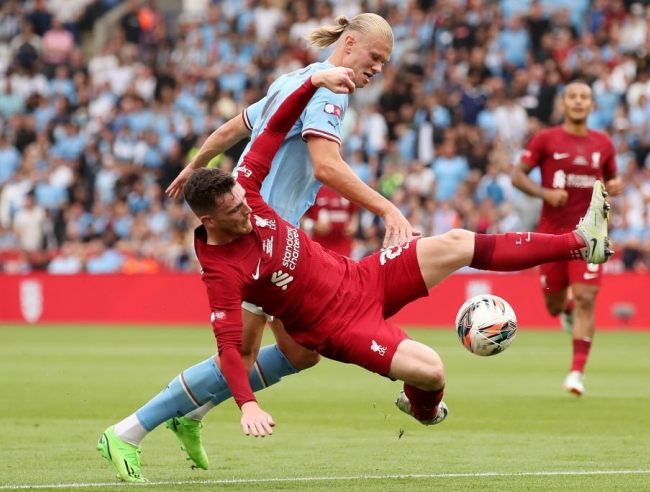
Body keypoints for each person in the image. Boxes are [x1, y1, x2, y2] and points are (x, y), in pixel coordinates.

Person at [98, 68, 613, 482]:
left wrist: (313, 82)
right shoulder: (222, 270)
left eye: (241, 197)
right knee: (431, 370)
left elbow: (269, 130)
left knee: (455, 242)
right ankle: (423, 410)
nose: (246, 209)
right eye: (233, 209)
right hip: (339, 327)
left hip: (362, 277)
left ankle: (578, 241)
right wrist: (248, 405)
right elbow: (230, 348)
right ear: (209, 221)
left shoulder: (249, 192)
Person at [138, 13, 412, 474]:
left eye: (384, 62)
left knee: (302, 351)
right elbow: (325, 165)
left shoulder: (294, 79)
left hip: (265, 230)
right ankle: (143, 426)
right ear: (348, 44)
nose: (378, 69)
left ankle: (192, 414)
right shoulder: (329, 90)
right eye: (374, 57)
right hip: (259, 235)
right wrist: (387, 208)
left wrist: (195, 165)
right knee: (249, 350)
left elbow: (232, 130)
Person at [511, 80, 623, 397]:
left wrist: (615, 185)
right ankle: (568, 309)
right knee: (554, 305)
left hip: (588, 235)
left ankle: (576, 373)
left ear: (591, 105)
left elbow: (613, 180)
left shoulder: (603, 143)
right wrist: (544, 192)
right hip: (551, 234)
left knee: (588, 298)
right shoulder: (546, 139)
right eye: (572, 96)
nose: (578, 101)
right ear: (564, 102)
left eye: (584, 97)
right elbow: (517, 175)